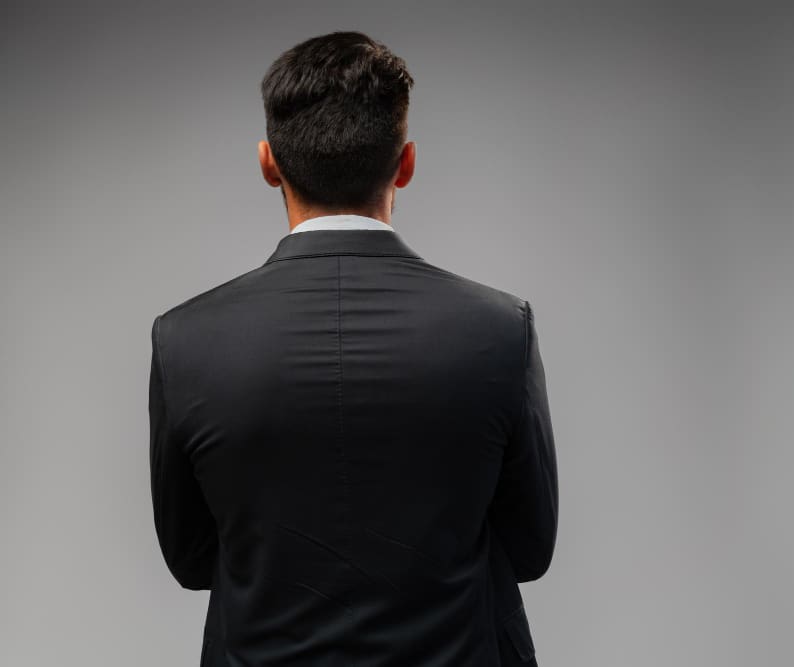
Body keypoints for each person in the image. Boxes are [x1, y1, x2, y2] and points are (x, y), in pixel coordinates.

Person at [148, 30, 558, 666]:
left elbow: (193, 559)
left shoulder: (186, 338)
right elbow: (530, 549)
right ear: (406, 163)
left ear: (267, 163)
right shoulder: (499, 329)